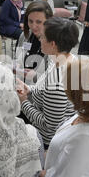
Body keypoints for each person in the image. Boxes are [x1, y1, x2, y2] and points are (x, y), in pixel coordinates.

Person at [17, 17, 78, 149]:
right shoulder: (64, 58)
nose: (39, 39)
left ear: (53, 44)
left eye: (43, 37)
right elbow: (44, 87)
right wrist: (30, 88)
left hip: (45, 141)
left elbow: (48, 125)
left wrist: (23, 101)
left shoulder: (56, 83)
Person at [16, 0, 53, 76]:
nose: (33, 26)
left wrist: (35, 76)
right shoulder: (24, 36)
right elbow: (18, 59)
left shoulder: (55, 43)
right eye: (30, 21)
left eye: (39, 22)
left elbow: (54, 77)